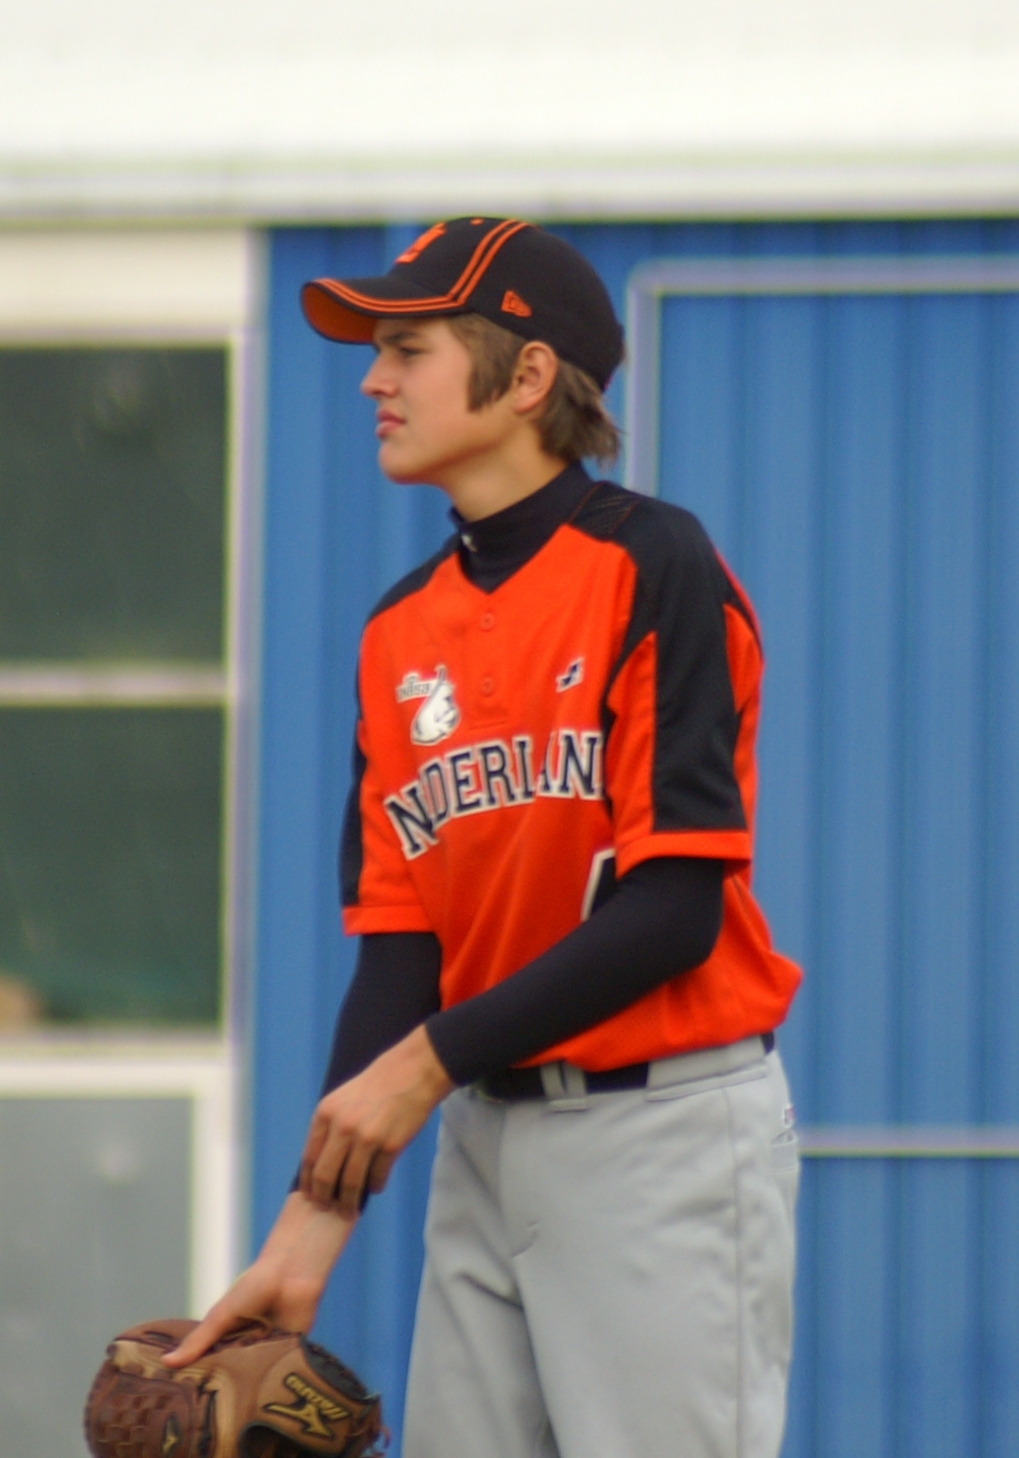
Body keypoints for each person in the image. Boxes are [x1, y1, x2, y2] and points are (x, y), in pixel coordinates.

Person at [167, 217, 803, 1458]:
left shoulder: (650, 562)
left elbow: (672, 911)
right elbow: (401, 952)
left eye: (407, 349)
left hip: (661, 1132)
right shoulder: (397, 631)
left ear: (525, 378)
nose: (372, 379)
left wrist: (422, 1068)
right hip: (482, 1134)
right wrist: (307, 1230)